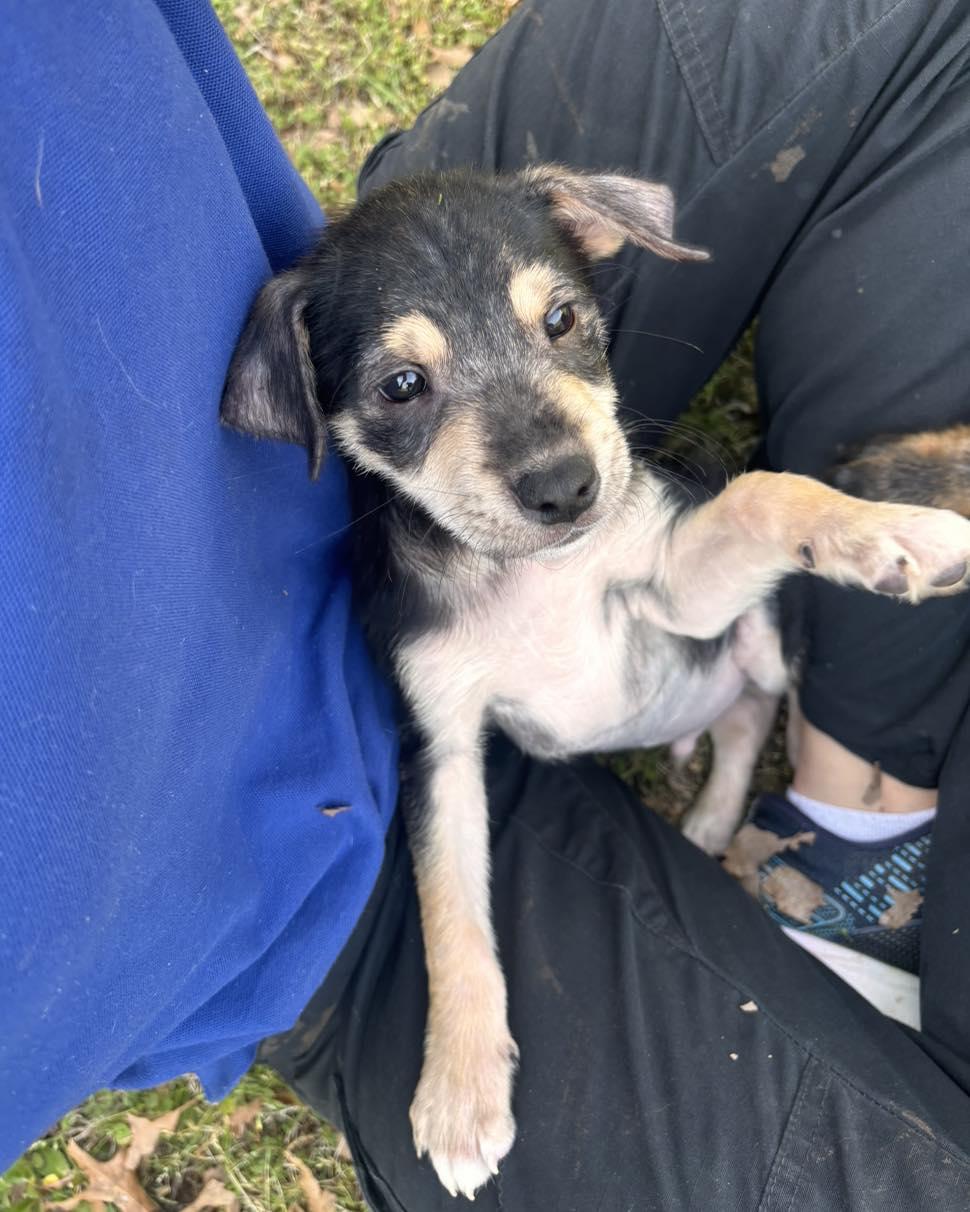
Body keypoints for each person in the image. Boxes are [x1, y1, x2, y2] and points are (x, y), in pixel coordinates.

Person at [3, 0, 970, 1206]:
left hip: (680, 602)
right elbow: (443, 779)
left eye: (562, 323)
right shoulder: (411, 586)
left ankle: (849, 791)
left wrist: (787, 519)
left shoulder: (562, 416)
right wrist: (468, 1011)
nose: (545, 455)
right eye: (406, 387)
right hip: (286, 890)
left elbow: (684, 581)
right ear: (314, 401)